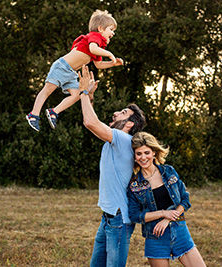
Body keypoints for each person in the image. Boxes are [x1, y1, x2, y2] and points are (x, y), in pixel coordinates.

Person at [77, 65, 146, 266]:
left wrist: (82, 91)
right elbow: (93, 122)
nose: (116, 113)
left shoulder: (123, 139)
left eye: (122, 112)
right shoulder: (115, 138)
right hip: (108, 218)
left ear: (130, 124)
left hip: (119, 221)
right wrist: (88, 96)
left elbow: (90, 122)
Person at [26, 9, 123, 131]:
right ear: (100, 29)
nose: (113, 33)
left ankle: (54, 112)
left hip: (71, 73)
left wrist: (113, 64)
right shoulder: (94, 37)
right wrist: (109, 54)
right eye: (111, 30)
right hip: (62, 67)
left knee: (78, 94)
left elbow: (98, 65)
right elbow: (92, 49)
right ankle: (33, 114)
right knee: (47, 90)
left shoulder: (99, 46)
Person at [127, 132, 206, 267]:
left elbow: (185, 199)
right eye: (139, 154)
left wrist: (168, 218)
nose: (143, 157)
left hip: (179, 231)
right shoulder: (134, 185)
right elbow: (134, 215)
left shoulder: (168, 171)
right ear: (134, 157)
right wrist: (163, 213)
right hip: (155, 237)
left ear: (154, 153)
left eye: (147, 152)